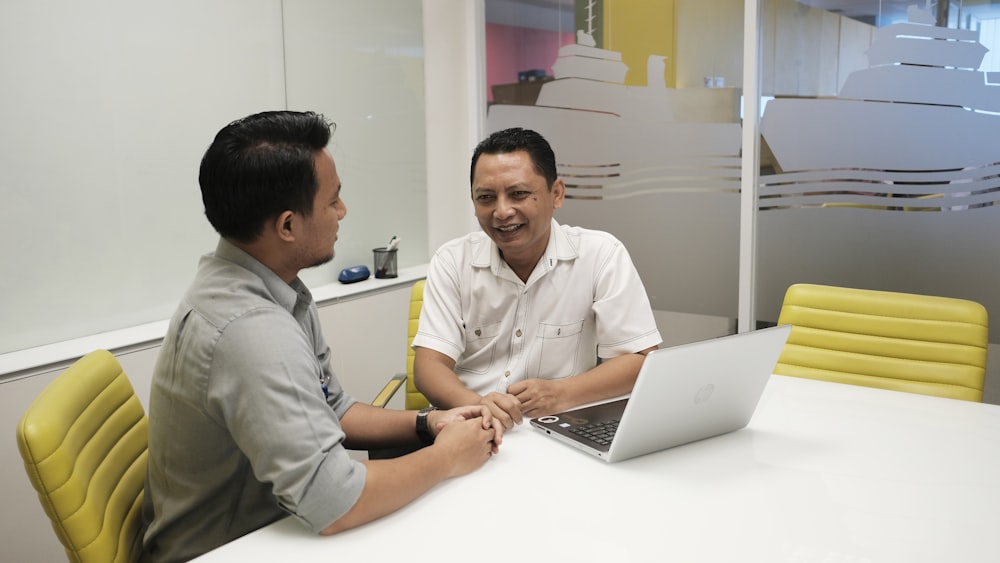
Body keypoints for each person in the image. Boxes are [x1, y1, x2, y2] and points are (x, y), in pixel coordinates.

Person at [141, 110, 502, 563]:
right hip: (232, 547)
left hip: (277, 521)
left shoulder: (267, 285)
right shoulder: (252, 331)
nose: (342, 212)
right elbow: (334, 502)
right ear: (288, 226)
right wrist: (446, 457)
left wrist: (427, 424)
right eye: (333, 201)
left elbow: (330, 406)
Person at [412, 127, 662, 430]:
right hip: (470, 426)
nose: (502, 211)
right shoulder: (452, 261)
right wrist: (477, 405)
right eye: (486, 198)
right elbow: (428, 367)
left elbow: (639, 358)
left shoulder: (601, 255)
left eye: (518, 194)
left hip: (560, 427)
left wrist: (561, 393)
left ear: (556, 193)